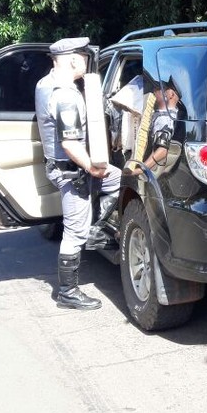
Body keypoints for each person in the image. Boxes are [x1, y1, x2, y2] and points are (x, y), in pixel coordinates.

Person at [35, 37, 121, 310]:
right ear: (73, 60)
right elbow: (70, 142)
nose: (85, 61)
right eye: (83, 57)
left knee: (119, 178)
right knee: (74, 232)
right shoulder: (65, 95)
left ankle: (97, 228)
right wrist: (92, 167)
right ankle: (67, 292)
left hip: (61, 166)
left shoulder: (44, 84)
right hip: (72, 171)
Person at [143, 76, 185, 170]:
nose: (154, 91)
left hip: (143, 165)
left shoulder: (164, 118)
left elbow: (162, 151)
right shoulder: (169, 114)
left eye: (159, 89)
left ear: (170, 94)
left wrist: (140, 169)